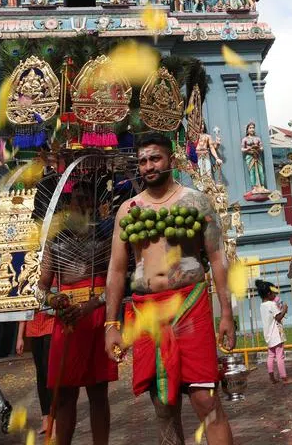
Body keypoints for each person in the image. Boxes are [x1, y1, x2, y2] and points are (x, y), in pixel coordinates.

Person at [103, 133, 235, 444]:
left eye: (155, 158)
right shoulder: (129, 210)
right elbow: (117, 269)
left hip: (189, 306)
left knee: (205, 399)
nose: (148, 166)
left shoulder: (194, 201)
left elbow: (217, 257)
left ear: (170, 160)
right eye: (143, 161)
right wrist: (111, 325)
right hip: (146, 310)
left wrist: (227, 314)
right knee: (163, 404)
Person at [37, 184, 116, 445]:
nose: (81, 205)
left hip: (95, 316)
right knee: (65, 394)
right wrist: (53, 300)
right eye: (76, 200)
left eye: (86, 200)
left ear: (95, 205)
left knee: (98, 391)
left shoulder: (105, 239)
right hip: (67, 318)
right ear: (67, 206)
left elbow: (117, 282)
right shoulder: (56, 241)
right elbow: (40, 287)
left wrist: (93, 304)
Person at [15, 313, 55, 437]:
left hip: (51, 323)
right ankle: (45, 418)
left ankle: (55, 420)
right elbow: (24, 306)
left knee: (48, 370)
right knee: (41, 374)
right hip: (33, 327)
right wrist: (19, 337)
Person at [256, 280, 292, 385]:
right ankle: (284, 378)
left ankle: (272, 377)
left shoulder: (262, 305)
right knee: (280, 356)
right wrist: (284, 309)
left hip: (268, 335)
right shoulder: (272, 305)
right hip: (276, 335)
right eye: (274, 293)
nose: (275, 295)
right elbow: (278, 318)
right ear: (269, 293)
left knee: (271, 356)